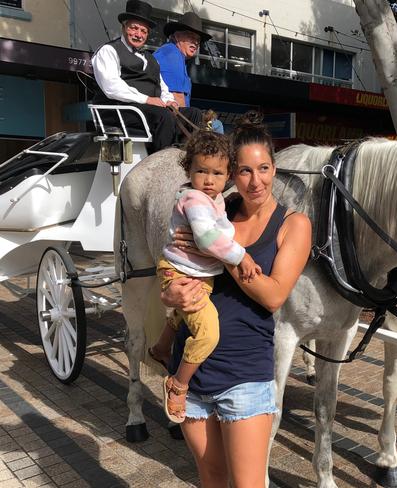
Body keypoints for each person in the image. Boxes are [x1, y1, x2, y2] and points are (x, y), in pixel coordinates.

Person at [160, 111, 311, 486]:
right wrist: (170, 291)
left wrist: (217, 254)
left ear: (275, 169)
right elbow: (177, 266)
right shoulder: (213, 209)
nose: (254, 180)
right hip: (192, 371)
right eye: (244, 170)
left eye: (263, 168)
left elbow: (274, 295)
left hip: (244, 375)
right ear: (232, 175)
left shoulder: (293, 225)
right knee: (210, 478)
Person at [148, 130, 261, 424]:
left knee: (181, 316)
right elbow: (209, 238)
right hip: (183, 271)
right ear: (189, 170)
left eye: (217, 173)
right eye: (201, 171)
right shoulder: (196, 199)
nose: (209, 180)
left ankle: (161, 348)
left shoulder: (216, 200)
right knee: (208, 333)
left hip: (198, 271)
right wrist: (241, 256)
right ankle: (178, 384)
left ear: (228, 176)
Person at [91, 0, 203, 152]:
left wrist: (170, 101)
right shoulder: (109, 51)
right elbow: (112, 87)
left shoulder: (151, 59)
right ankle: (161, 165)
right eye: (134, 28)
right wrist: (148, 100)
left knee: (194, 114)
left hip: (146, 110)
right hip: (120, 110)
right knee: (163, 116)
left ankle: (185, 158)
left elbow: (162, 86)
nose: (138, 34)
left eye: (143, 31)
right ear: (124, 27)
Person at [154, 12, 225, 134]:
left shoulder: (176, 55)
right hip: (169, 120)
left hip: (167, 117)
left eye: (198, 39)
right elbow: (177, 97)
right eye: (190, 36)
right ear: (177, 36)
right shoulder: (172, 54)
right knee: (217, 126)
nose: (196, 42)